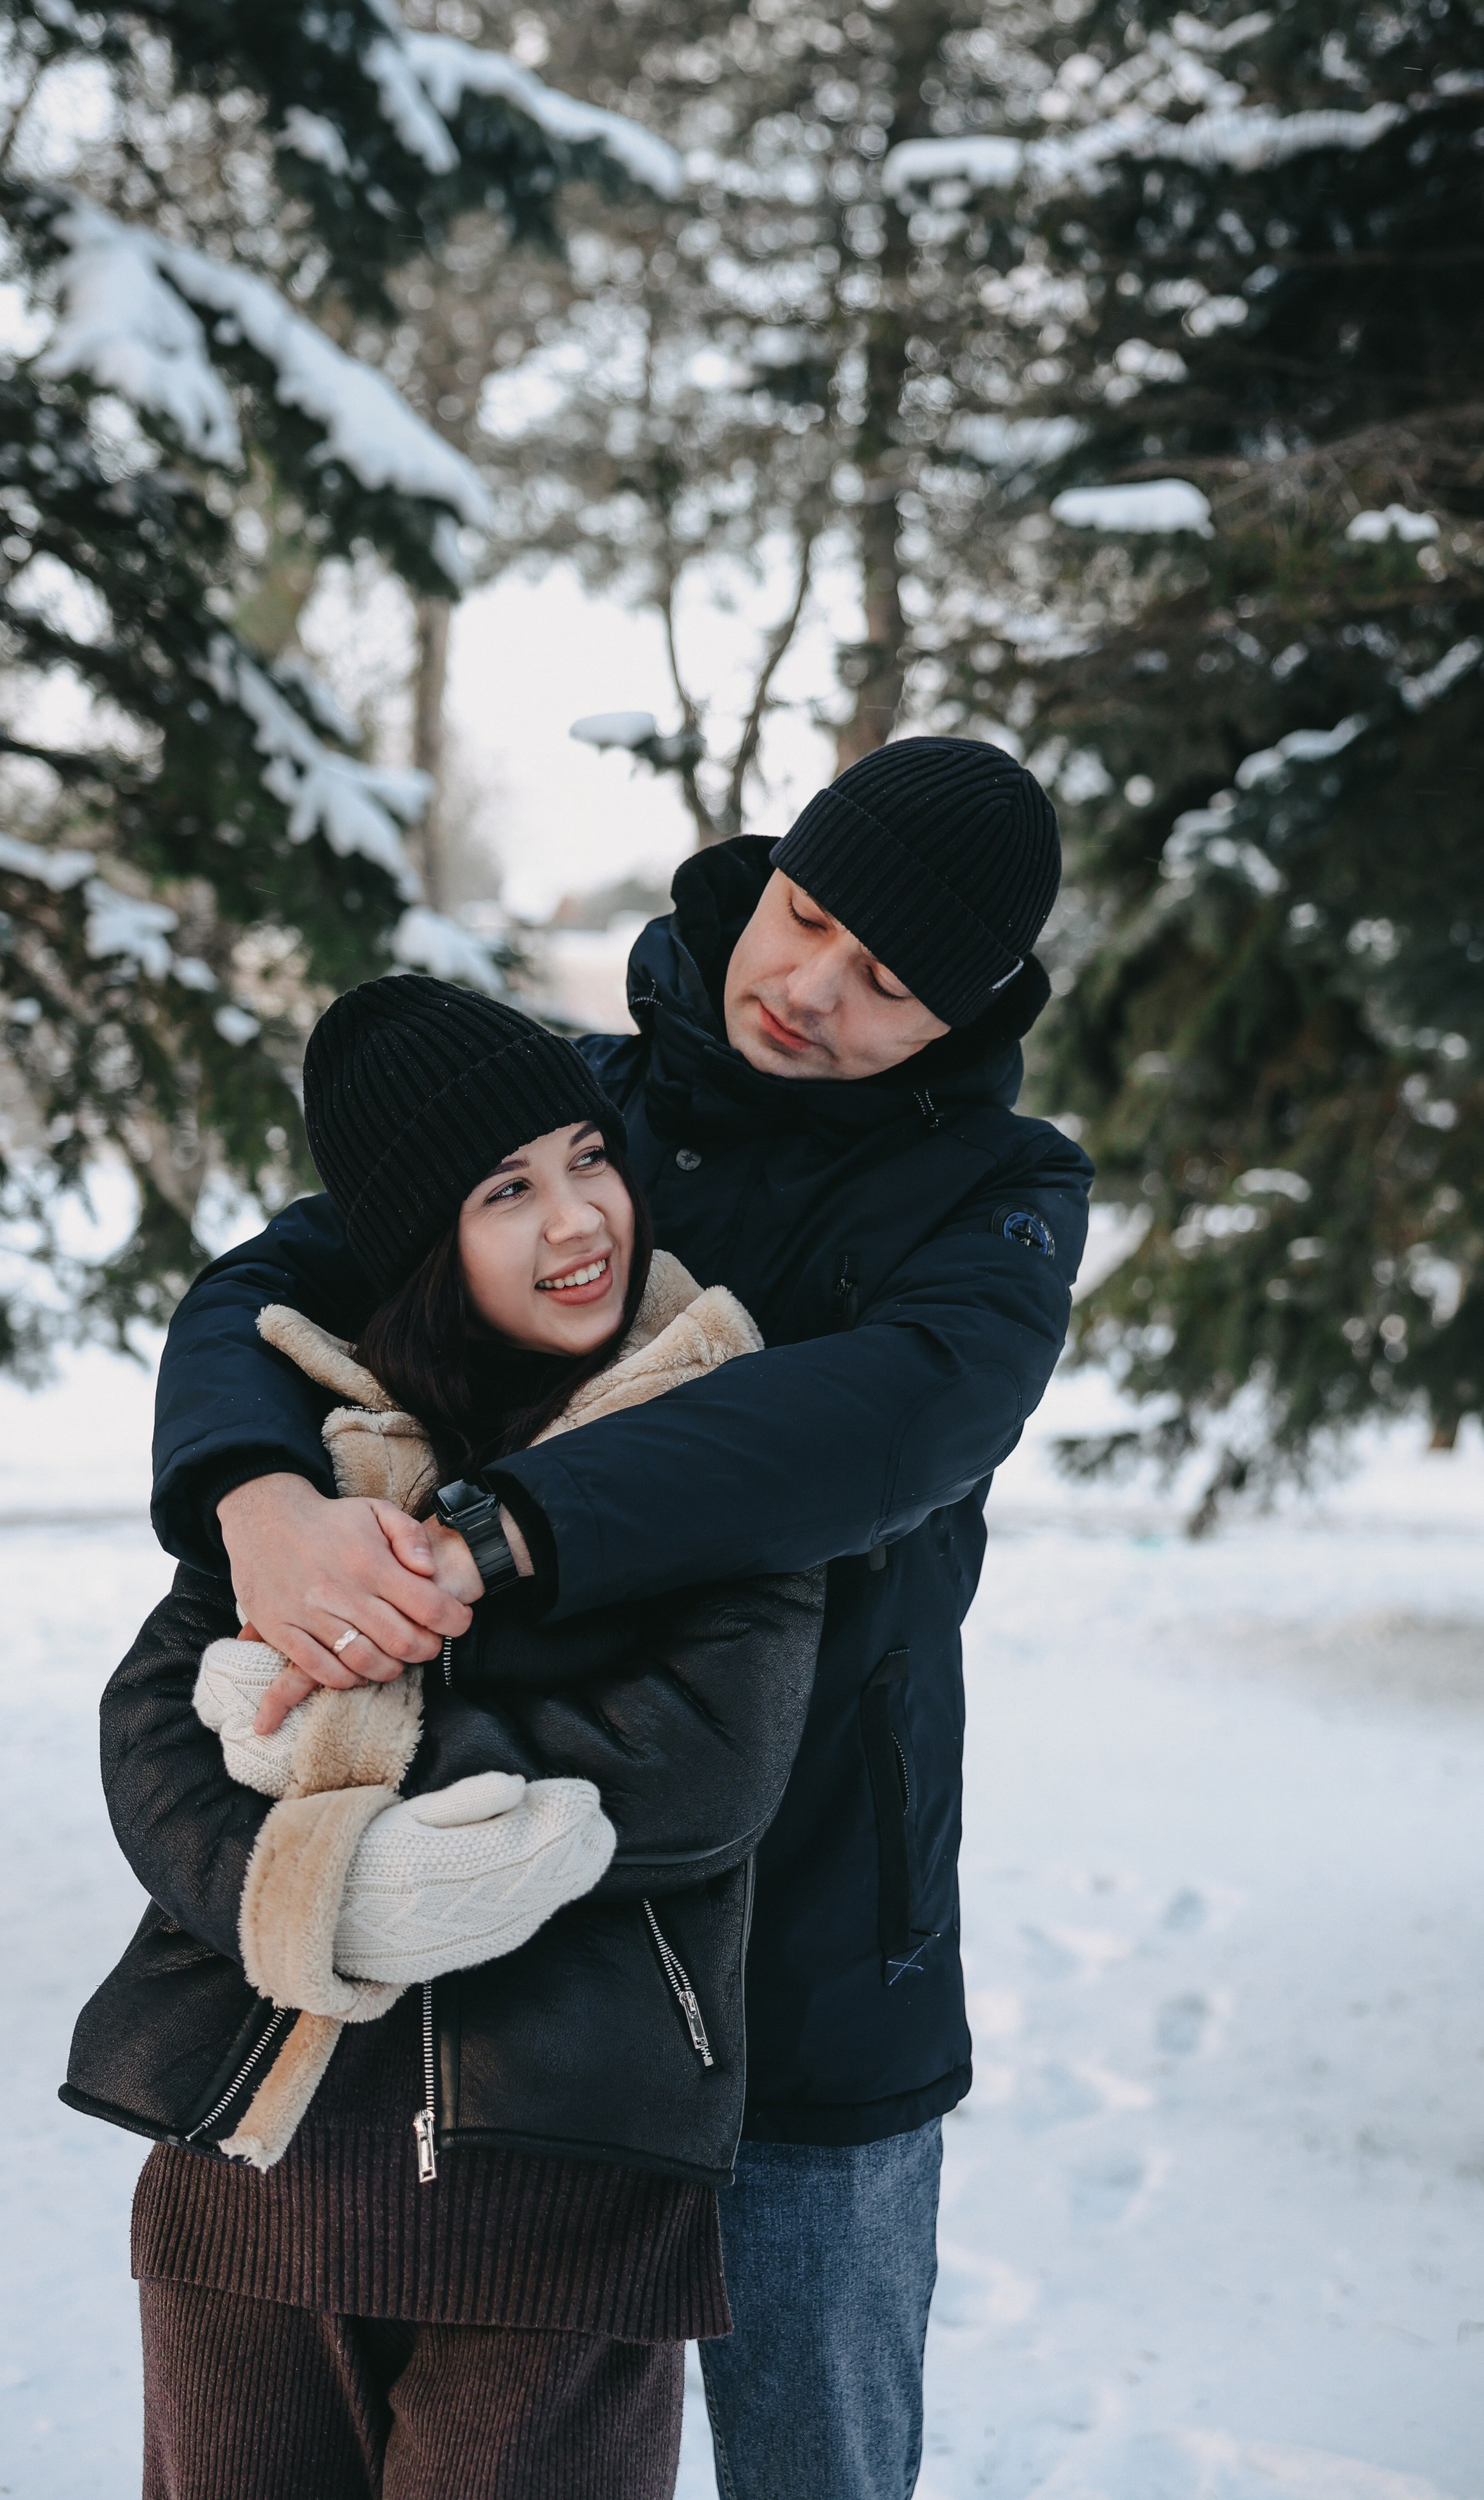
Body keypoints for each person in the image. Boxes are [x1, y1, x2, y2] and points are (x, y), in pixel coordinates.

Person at [150, 734, 1094, 2499]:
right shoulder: (575, 1102)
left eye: (885, 982)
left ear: (963, 1017)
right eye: (805, 916)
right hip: (555, 1971)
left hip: (819, 1936)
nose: (808, 989)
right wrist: (247, 1492)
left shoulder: (997, 1202)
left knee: (816, 2457)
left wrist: (507, 1529)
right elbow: (268, 1280)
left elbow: (886, 1417)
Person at [63, 980, 827, 2499]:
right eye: (505, 1191)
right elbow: (154, 1726)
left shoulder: (719, 1415)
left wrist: (356, 1762)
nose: (576, 1221)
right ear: (421, 1233)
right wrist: (311, 1897)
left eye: (586, 1157)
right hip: (250, 2180)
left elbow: (701, 1760)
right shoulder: (311, 1437)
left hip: (566, 2188)